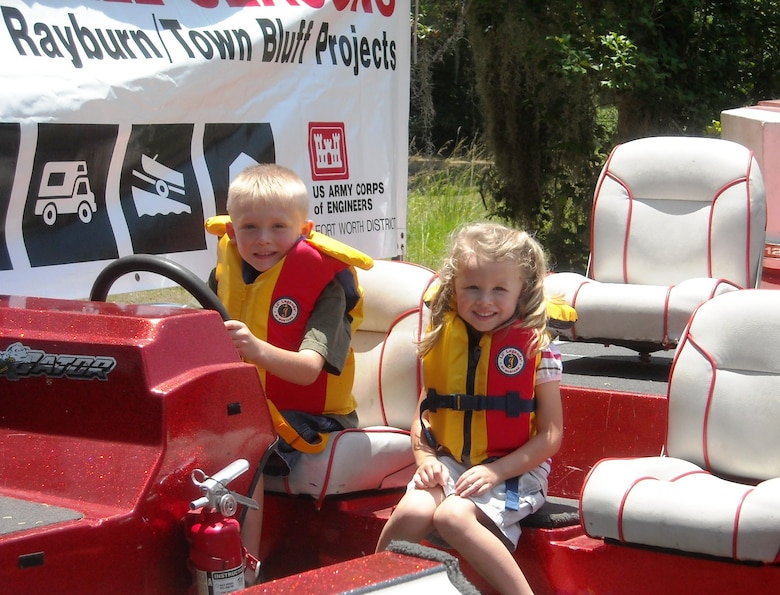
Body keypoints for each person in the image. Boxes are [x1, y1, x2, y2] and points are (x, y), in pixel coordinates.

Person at [204, 163, 373, 583]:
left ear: (305, 227)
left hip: (312, 420)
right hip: (247, 407)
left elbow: (308, 371)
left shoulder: (324, 283)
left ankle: (245, 572)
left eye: (278, 227)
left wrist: (255, 349)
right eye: (249, 227)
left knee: (244, 448)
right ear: (232, 230)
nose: (263, 239)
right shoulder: (226, 270)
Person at [375, 222, 564, 595]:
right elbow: (425, 414)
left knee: (451, 516)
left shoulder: (536, 349)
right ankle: (367, 585)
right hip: (450, 461)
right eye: (472, 288)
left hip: (514, 468)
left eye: (499, 289)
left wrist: (495, 472)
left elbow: (551, 436)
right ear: (453, 288)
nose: (484, 300)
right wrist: (424, 457)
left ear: (521, 291)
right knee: (414, 511)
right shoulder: (444, 339)